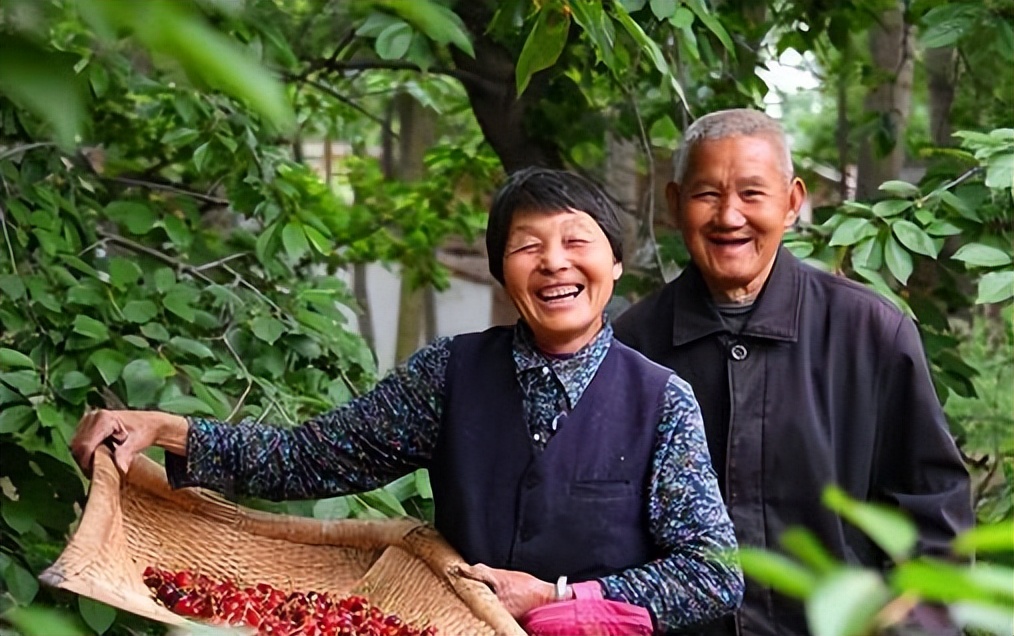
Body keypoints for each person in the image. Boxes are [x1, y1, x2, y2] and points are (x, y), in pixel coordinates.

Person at [71, 167, 744, 635]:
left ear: (616, 261)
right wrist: (170, 429)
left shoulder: (661, 401)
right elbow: (314, 458)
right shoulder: (450, 374)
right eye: (527, 246)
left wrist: (566, 600)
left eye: (576, 241)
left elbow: (713, 574)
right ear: (500, 269)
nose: (554, 263)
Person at [613, 109, 973, 635]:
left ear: (792, 203)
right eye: (707, 194)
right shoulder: (632, 347)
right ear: (673, 204)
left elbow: (934, 520)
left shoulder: (870, 333)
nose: (729, 216)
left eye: (752, 194)